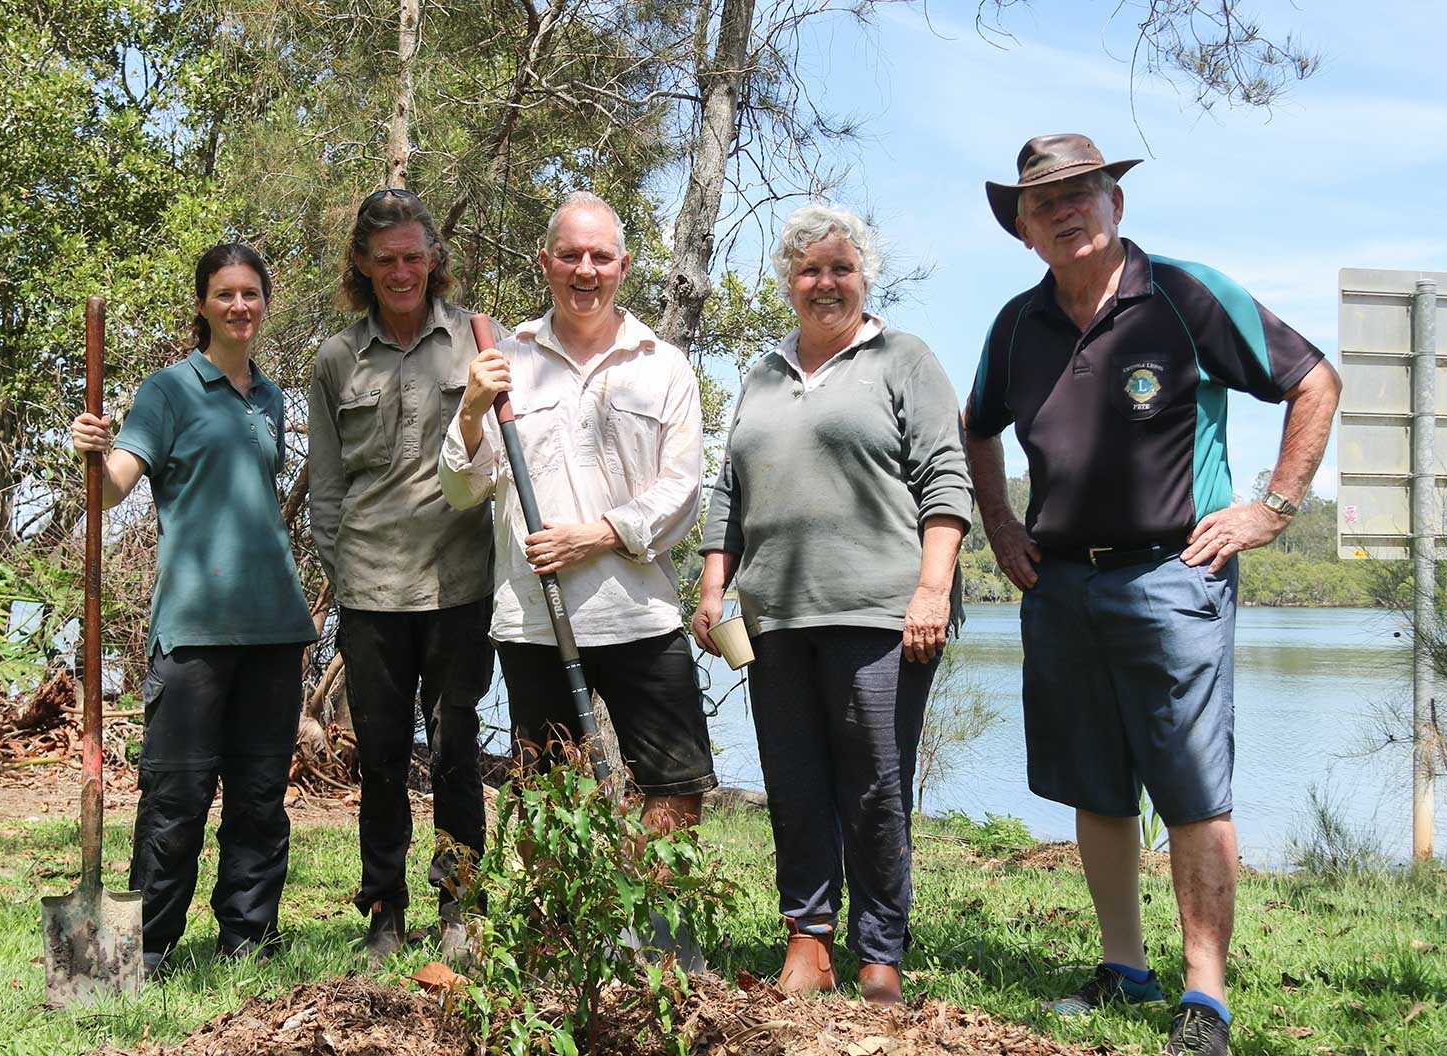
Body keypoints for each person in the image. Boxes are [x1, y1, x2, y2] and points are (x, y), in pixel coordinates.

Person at [965, 135, 1341, 1056]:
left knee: (1191, 788)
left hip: (1177, 577)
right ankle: (1122, 966)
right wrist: (1002, 528)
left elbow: (1313, 380)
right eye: (1043, 201)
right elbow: (977, 430)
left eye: (1082, 190)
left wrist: (1275, 507)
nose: (1065, 209)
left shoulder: (1183, 293)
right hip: (1061, 583)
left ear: (1115, 203)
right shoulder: (1016, 326)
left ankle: (1203, 1000)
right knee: (1095, 783)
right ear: (1022, 228)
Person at [692, 203, 973, 1008]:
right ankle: (808, 939)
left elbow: (946, 480)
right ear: (789, 282)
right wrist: (714, 588)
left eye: (841, 268)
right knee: (795, 780)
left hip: (882, 613)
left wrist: (932, 588)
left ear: (864, 277)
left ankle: (879, 952)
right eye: (811, 270)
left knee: (876, 786)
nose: (826, 283)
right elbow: (729, 492)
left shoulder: (904, 360)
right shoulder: (762, 374)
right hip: (776, 616)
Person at [439, 190, 716, 858]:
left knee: (675, 782)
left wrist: (596, 534)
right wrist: (474, 407)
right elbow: (459, 488)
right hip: (535, 618)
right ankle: (558, 940)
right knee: (546, 790)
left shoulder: (664, 366)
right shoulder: (506, 363)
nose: (584, 270)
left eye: (598, 256)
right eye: (569, 255)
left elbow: (682, 490)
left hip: (640, 616)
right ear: (546, 262)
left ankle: (650, 931)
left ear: (622, 265)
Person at [68, 243, 317, 978]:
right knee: (174, 799)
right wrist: (92, 449)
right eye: (224, 294)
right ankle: (144, 951)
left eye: (251, 293)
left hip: (275, 626)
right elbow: (113, 487)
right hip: (193, 628)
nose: (240, 306)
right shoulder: (168, 390)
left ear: (264, 302)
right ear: (203, 304)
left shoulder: (270, 397)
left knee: (260, 799)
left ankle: (248, 939)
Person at [306, 190, 504, 967]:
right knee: (382, 760)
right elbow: (326, 489)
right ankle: (384, 909)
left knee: (457, 752)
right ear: (361, 263)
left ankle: (461, 904)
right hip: (371, 591)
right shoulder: (334, 360)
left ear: (433, 259)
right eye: (384, 259)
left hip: (460, 583)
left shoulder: (476, 344)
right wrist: (344, 570)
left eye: (413, 256)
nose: (401, 271)